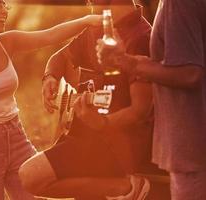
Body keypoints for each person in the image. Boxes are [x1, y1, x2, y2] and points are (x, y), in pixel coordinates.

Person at [0, 0, 102, 199]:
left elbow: (50, 35)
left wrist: (87, 20)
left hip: (16, 138)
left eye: (4, 5)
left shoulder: (8, 42)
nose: (4, 11)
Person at [18, 0, 156, 199]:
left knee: (30, 176)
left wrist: (101, 123)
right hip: (87, 136)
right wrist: (50, 76)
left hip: (117, 145)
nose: (87, 1)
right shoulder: (97, 28)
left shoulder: (141, 37)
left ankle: (126, 189)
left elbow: (140, 110)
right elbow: (62, 57)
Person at [96, 0, 206, 199]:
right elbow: (171, 64)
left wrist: (129, 63)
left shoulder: (178, 4)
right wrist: (128, 60)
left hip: (193, 148)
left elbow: (191, 73)